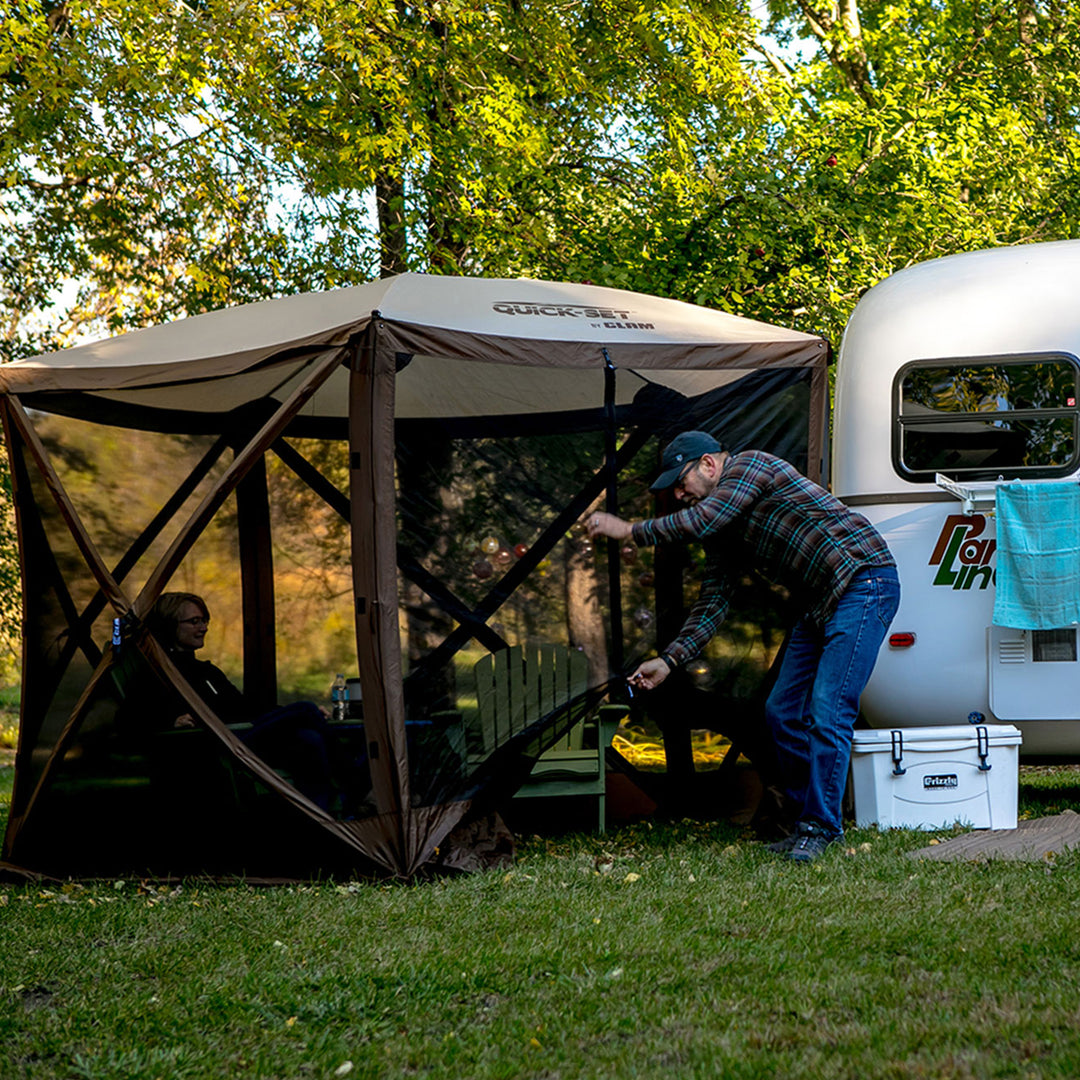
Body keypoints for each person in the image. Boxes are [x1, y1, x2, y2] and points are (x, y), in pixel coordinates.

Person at [587, 431, 899, 863]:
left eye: (682, 483)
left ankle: (821, 827)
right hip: (818, 601)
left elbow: (702, 519)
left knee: (829, 707)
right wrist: (668, 660)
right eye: (674, 490)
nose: (679, 495)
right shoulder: (722, 531)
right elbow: (712, 603)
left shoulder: (752, 466)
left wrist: (631, 531)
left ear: (710, 465)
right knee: (781, 712)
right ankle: (803, 817)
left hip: (864, 580)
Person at [141, 592, 341, 812]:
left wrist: (287, 715)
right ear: (170, 626)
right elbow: (128, 718)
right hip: (216, 744)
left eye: (204, 620)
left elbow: (245, 707)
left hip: (242, 733)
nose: (204, 627)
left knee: (308, 737)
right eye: (194, 621)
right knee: (306, 709)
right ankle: (357, 785)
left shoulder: (207, 671)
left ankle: (320, 816)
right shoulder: (159, 672)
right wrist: (173, 721)